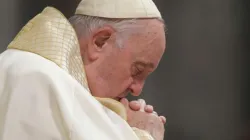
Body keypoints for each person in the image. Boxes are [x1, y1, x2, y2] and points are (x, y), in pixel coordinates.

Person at [0, 0, 167, 139]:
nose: (137, 90)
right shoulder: (36, 78)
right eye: (137, 70)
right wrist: (143, 135)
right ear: (100, 41)